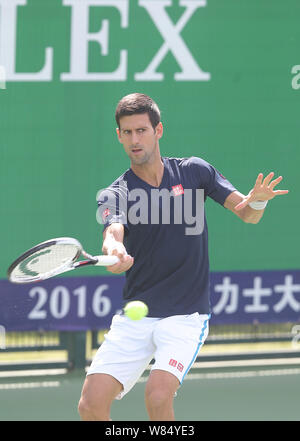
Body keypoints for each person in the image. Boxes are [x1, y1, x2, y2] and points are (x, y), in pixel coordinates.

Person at [78, 93, 289, 421]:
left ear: (158, 130)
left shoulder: (194, 172)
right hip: (137, 316)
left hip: (186, 316)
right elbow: (113, 232)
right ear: (119, 136)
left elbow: (247, 213)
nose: (135, 139)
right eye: (127, 132)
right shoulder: (115, 193)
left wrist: (258, 201)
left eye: (142, 130)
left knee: (158, 396)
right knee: (90, 404)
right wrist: (114, 250)